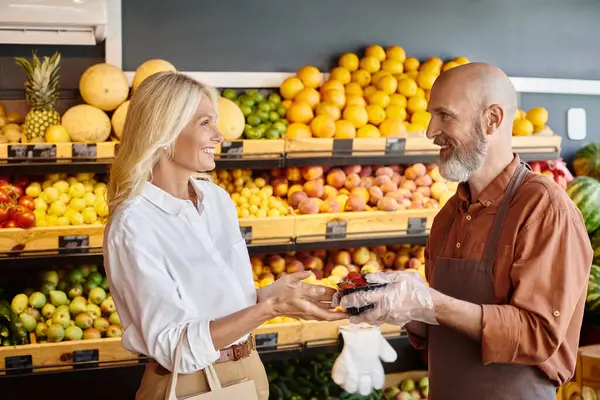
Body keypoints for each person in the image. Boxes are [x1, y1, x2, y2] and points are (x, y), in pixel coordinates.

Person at [337, 62, 593, 399]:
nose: (430, 131)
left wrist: (429, 301)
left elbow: (539, 335)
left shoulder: (543, 209)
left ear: (492, 120)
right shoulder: (448, 216)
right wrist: (402, 309)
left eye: (444, 115)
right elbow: (444, 332)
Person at [103, 72, 346, 400]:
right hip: (188, 384)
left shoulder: (215, 200)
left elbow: (211, 306)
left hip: (248, 366)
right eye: (205, 123)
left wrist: (264, 297)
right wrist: (269, 309)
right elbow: (175, 348)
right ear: (165, 130)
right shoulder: (134, 224)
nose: (219, 135)